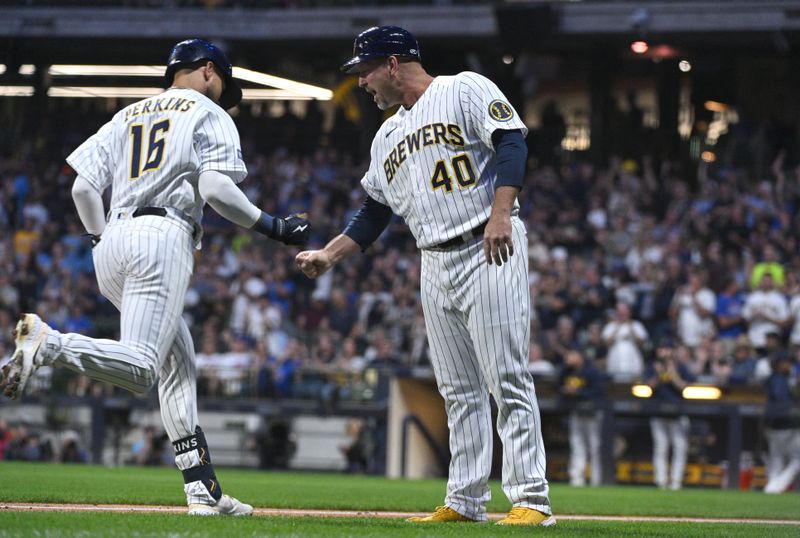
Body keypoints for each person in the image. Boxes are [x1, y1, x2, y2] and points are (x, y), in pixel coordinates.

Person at [0, 38, 310, 516]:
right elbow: (214, 187)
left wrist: (100, 239)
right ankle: (48, 343)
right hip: (163, 234)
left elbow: (83, 187)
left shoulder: (125, 114)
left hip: (110, 239)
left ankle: (202, 491)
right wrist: (273, 226)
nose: (223, 94)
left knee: (178, 367)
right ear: (209, 70)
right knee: (144, 367)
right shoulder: (209, 112)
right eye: (223, 83)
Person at [296, 26, 554, 526]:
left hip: (486, 242)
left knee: (506, 377)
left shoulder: (464, 88)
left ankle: (531, 499)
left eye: (366, 71)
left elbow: (511, 144)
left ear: (393, 63)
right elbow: (374, 212)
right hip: (433, 259)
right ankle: (465, 500)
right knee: (457, 388)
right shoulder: (387, 134)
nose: (362, 82)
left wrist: (503, 213)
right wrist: (331, 254)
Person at [645, 341, 694, 490]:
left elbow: (686, 387)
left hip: (678, 413)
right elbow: (647, 387)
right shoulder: (653, 367)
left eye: (666, 349)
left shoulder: (681, 367)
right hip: (658, 412)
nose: (663, 352)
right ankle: (661, 480)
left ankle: (676, 481)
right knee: (661, 447)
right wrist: (659, 375)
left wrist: (672, 374)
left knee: (680, 447)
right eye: (661, 349)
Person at [558, 348, 606, 487]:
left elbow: (598, 392)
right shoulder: (568, 371)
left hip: (593, 413)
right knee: (577, 445)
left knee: (594, 447)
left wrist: (577, 391)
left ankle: (596, 480)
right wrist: (565, 367)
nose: (569, 357)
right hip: (577, 412)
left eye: (572, 354)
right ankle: (576, 479)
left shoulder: (591, 370)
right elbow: (559, 383)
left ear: (580, 355)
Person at [763, 353, 800, 493]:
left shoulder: (778, 378)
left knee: (777, 459)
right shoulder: (778, 379)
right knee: (796, 459)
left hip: (775, 425)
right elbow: (781, 400)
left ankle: (772, 488)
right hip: (784, 425)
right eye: (786, 362)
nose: (789, 365)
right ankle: (775, 487)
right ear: (779, 364)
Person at [602, 301, 648, 380]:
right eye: (620, 312)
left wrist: (631, 329)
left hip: (633, 365)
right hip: (615, 365)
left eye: (624, 311)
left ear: (629, 312)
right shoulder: (610, 326)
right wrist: (617, 328)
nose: (622, 314)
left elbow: (642, 344)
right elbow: (606, 343)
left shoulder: (637, 325)